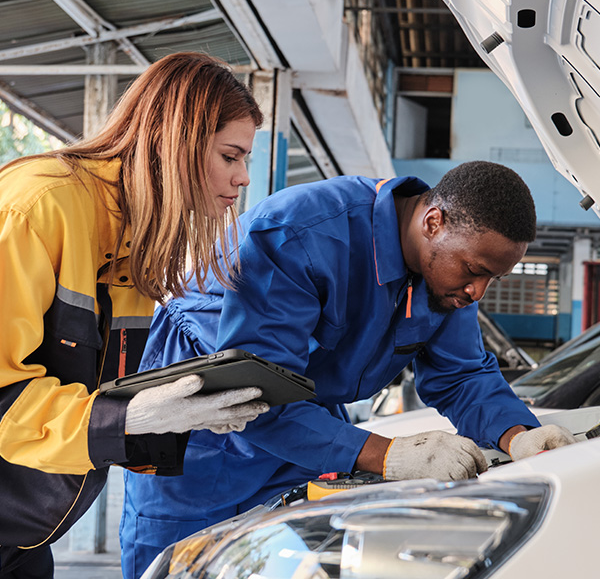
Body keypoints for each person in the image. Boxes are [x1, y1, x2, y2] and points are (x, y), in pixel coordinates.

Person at [120, 161, 577, 578]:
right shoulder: (298, 234)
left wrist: (519, 435)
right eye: (474, 271)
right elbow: (254, 390)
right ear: (433, 222)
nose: (478, 292)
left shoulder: (446, 276)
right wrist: (390, 456)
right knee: (181, 565)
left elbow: (462, 376)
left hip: (307, 429)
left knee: (291, 563)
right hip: (200, 428)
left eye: (491, 279)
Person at [0, 52, 270, 578]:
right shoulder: (38, 207)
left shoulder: (130, 245)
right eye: (230, 156)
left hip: (23, 538)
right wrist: (132, 417)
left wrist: (182, 414)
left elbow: (93, 396)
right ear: (176, 141)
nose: (241, 180)